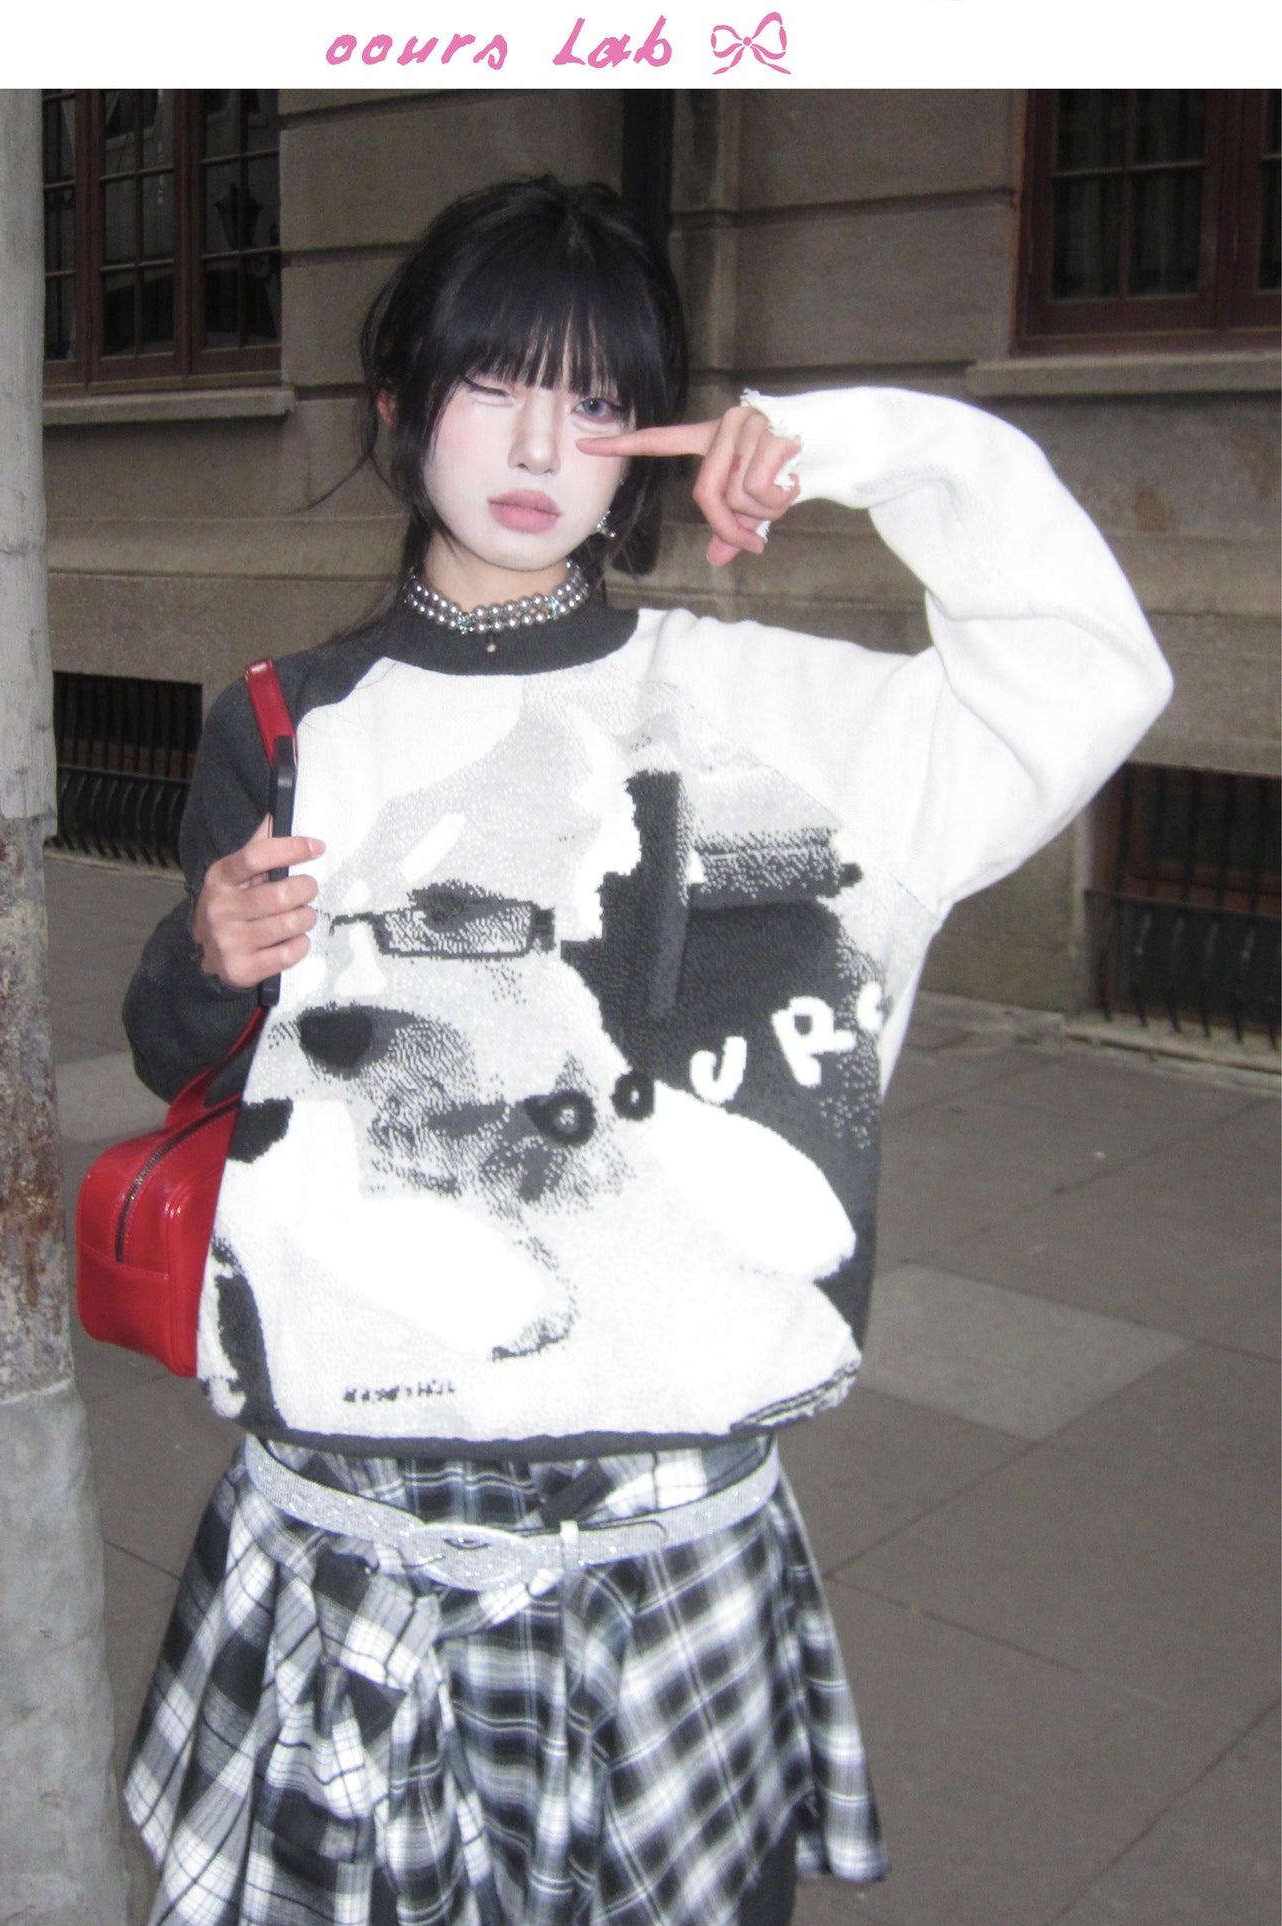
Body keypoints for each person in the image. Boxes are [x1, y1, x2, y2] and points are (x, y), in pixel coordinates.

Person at [119, 175, 1172, 1926]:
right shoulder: (288, 719)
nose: (543, 442)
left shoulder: (768, 713)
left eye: (598, 400)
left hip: (667, 1536)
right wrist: (203, 957)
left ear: (653, 440)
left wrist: (861, 449)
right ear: (400, 404)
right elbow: (190, 1060)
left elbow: (1079, 675)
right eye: (494, 383)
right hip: (353, 1531)